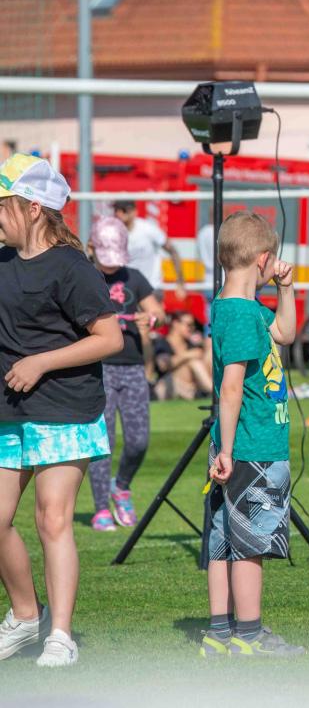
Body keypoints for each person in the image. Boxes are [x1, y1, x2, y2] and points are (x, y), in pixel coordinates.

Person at [0, 153, 123, 667]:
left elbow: (110, 338)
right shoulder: (2, 263)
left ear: (32, 208)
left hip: (65, 411)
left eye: (2, 206)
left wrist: (41, 362)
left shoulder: (73, 268)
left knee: (52, 520)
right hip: (8, 412)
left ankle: (61, 636)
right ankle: (27, 616)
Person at [200, 211, 302, 659]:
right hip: (251, 448)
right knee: (250, 545)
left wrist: (286, 289)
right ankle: (250, 633)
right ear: (263, 259)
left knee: (223, 540)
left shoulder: (237, 308)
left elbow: (286, 332)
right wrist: (227, 449)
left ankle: (219, 633)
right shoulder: (242, 315)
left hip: (236, 445)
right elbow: (231, 388)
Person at [86, 216, 166, 533]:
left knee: (138, 440)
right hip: (98, 369)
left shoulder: (134, 276)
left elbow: (158, 311)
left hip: (132, 368)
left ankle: (121, 487)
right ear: (91, 248)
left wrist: (152, 319)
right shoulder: (84, 276)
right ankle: (100, 508)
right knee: (102, 443)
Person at [112, 200, 187, 301]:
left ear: (134, 212)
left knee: (154, 311)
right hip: (126, 288)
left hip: (151, 288)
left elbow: (173, 251)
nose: (119, 213)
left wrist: (180, 281)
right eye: (116, 210)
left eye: (123, 210)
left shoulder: (148, 229)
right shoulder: (112, 232)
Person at [152, 311, 213, 401]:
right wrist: (187, 355)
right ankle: (213, 391)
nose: (192, 328)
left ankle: (213, 389)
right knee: (193, 363)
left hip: (190, 384)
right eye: (189, 325)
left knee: (210, 353)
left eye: (193, 325)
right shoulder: (163, 342)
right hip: (166, 385)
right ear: (175, 324)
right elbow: (163, 365)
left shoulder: (190, 343)